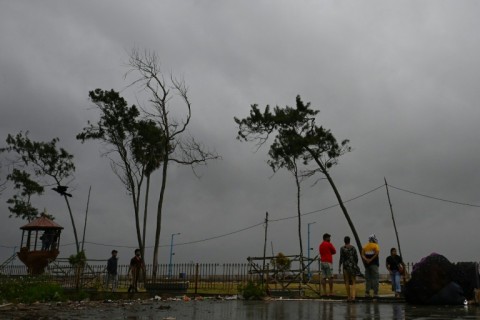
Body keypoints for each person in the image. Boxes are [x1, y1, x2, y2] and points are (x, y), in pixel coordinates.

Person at [339, 236, 360, 302]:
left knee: (347, 281)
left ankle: (348, 297)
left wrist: (339, 266)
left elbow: (341, 258)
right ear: (349, 241)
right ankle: (353, 297)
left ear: (344, 241)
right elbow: (356, 257)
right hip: (352, 266)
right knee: (353, 282)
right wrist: (355, 264)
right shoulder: (353, 248)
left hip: (345, 267)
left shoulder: (342, 248)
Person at [361, 234, 380, 298]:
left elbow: (362, 254)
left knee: (368, 279)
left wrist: (366, 259)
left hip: (367, 265)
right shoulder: (376, 245)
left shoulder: (365, 246)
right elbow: (377, 253)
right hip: (374, 264)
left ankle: (367, 293)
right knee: (375, 278)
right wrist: (371, 259)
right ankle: (375, 293)